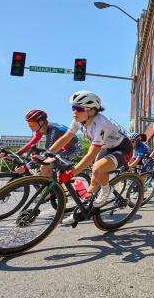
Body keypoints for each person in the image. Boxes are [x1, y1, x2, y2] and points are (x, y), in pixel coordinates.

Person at [50, 91, 132, 224]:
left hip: (123, 148)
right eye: (73, 108)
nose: (74, 112)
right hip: (106, 147)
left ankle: (107, 190)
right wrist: (49, 152)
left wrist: (72, 173)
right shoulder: (78, 120)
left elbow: (92, 153)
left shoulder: (101, 124)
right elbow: (66, 137)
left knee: (97, 169)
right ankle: (83, 210)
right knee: (93, 182)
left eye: (78, 108)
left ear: (92, 111)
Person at [15, 109, 81, 177]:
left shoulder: (53, 132)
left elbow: (45, 155)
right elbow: (30, 144)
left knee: (44, 167)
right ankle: (55, 183)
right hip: (61, 148)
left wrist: (25, 167)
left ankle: (55, 186)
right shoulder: (43, 129)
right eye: (28, 123)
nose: (29, 126)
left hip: (73, 150)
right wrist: (16, 154)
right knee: (44, 161)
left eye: (32, 123)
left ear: (41, 122)